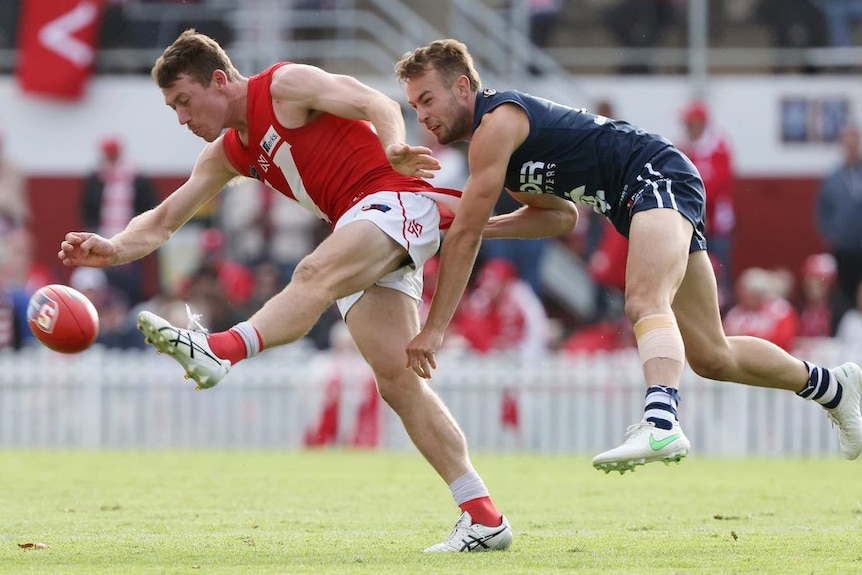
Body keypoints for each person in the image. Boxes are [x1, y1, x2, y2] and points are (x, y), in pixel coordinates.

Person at [58, 29, 512, 553]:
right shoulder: (227, 152)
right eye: (172, 109)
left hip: (394, 198)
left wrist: (393, 145)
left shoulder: (284, 86)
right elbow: (162, 222)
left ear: (221, 80)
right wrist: (111, 249)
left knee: (312, 274)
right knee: (397, 382)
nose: (182, 118)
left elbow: (374, 100)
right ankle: (483, 516)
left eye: (184, 101)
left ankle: (220, 349)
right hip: (360, 224)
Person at [395, 38, 862, 473]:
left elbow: (463, 237)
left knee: (643, 300)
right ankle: (831, 385)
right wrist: (488, 227)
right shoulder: (504, 147)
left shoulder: (496, 125)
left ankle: (661, 425)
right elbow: (560, 218)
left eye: (428, 100)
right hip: (644, 195)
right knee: (712, 356)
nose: (422, 118)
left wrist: (434, 328)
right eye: (415, 106)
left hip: (654, 176)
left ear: (462, 86)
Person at [80, 135, 158, 305]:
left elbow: (149, 205)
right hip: (102, 236)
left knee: (130, 280)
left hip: (132, 236)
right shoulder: (96, 178)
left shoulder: (136, 178)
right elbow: (88, 207)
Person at [677, 100, 736, 309]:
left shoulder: (717, 147)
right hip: (694, 219)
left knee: (719, 267)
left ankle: (723, 312)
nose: (687, 128)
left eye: (690, 123)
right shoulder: (685, 147)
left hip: (715, 222)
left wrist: (701, 207)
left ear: (701, 123)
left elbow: (717, 182)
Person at [816, 124, 862, 319]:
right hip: (843, 247)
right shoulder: (833, 178)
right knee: (844, 291)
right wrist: (831, 235)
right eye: (847, 141)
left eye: (855, 141)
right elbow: (822, 209)